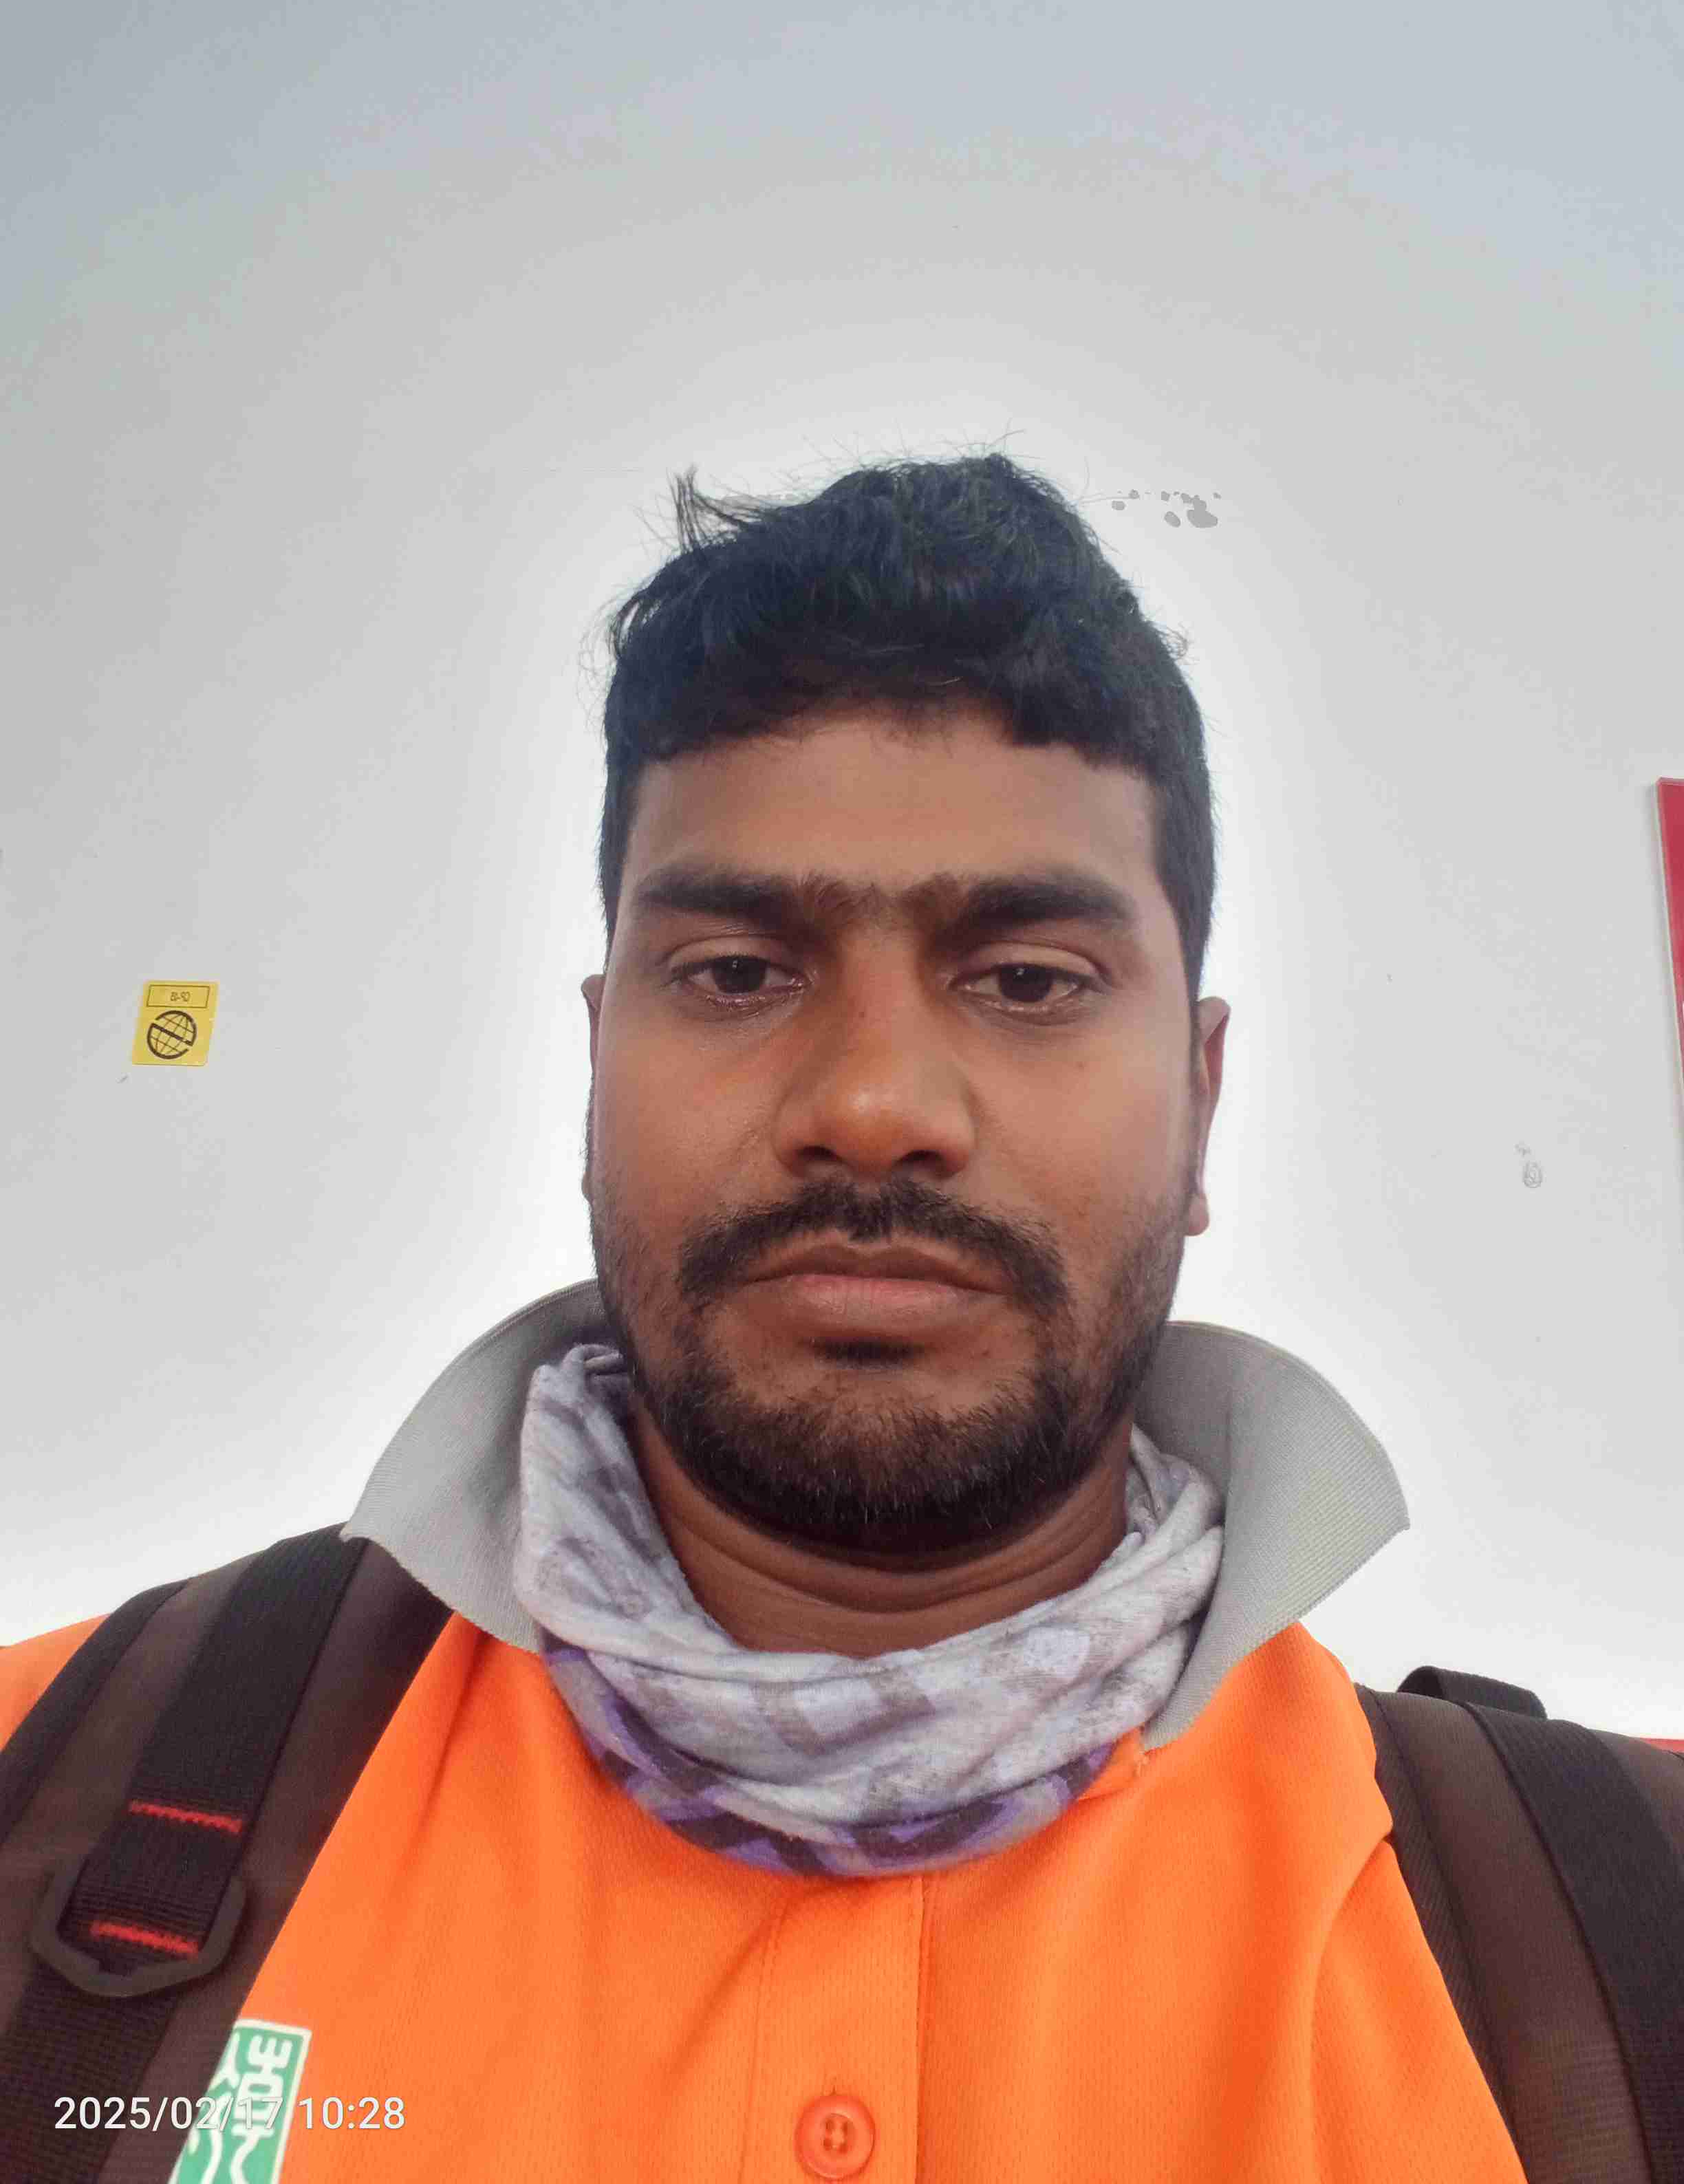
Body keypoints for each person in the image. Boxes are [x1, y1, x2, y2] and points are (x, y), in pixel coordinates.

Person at [0, 453, 1534, 2181]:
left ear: (1202, 1097)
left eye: (1029, 980)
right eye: (736, 973)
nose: (873, 1106)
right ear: (596, 1067)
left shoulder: (1616, 1949)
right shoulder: (40, 1793)